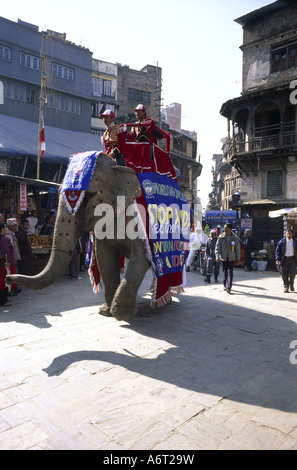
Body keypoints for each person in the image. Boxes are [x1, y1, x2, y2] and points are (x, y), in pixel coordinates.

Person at [215, 223, 241, 294]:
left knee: (230, 272)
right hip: (223, 258)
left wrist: (238, 258)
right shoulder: (221, 237)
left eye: (226, 227)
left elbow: (237, 248)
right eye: (224, 227)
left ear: (230, 228)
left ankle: (229, 286)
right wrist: (217, 256)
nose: (224, 229)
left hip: (231, 258)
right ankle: (225, 284)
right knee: (225, 271)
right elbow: (217, 248)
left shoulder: (235, 237)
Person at [275, 229, 297, 293]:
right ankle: (286, 286)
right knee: (284, 274)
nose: (288, 235)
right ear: (285, 234)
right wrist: (277, 259)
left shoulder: (295, 241)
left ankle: (291, 283)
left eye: (290, 233)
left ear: (292, 234)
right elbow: (278, 251)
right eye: (287, 233)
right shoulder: (282, 241)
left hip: (293, 259)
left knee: (293, 272)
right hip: (284, 260)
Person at [6, 218, 22, 295]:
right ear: (11, 226)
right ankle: (11, 289)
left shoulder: (13, 234)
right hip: (11, 258)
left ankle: (14, 287)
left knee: (14, 272)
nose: (17, 227)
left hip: (14, 257)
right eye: (15, 226)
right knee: (11, 273)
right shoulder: (9, 235)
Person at [0, 222, 13, 307]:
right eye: (5, 228)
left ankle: (5, 297)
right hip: (2, 263)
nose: (6, 229)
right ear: (2, 229)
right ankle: (2, 300)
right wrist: (8, 261)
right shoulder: (3, 238)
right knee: (3, 281)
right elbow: (5, 251)